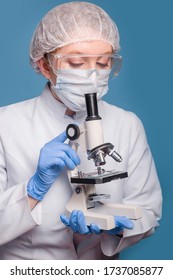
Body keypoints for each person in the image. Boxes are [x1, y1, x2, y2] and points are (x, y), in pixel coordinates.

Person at [0, 1, 162, 260]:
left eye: (103, 63)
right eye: (76, 63)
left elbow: (148, 211)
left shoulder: (127, 124)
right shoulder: (5, 124)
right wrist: (32, 190)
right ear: (44, 65)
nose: (92, 76)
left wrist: (117, 229)